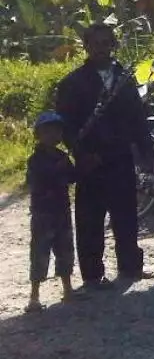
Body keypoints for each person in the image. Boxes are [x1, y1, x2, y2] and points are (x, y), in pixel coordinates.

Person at [55, 23, 154, 289]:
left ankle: (130, 266)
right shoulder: (72, 83)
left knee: (126, 214)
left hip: (120, 156)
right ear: (86, 47)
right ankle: (92, 274)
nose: (101, 48)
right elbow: (65, 125)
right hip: (91, 160)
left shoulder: (124, 79)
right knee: (90, 218)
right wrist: (81, 153)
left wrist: (146, 152)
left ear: (113, 45)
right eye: (95, 44)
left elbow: (137, 119)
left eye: (106, 43)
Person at [26, 111, 78, 312]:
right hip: (43, 213)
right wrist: (56, 170)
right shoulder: (34, 160)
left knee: (65, 250)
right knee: (40, 252)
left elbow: (72, 177)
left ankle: (68, 289)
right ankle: (34, 296)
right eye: (47, 131)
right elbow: (36, 182)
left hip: (61, 210)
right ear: (39, 135)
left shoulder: (62, 156)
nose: (53, 135)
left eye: (57, 130)